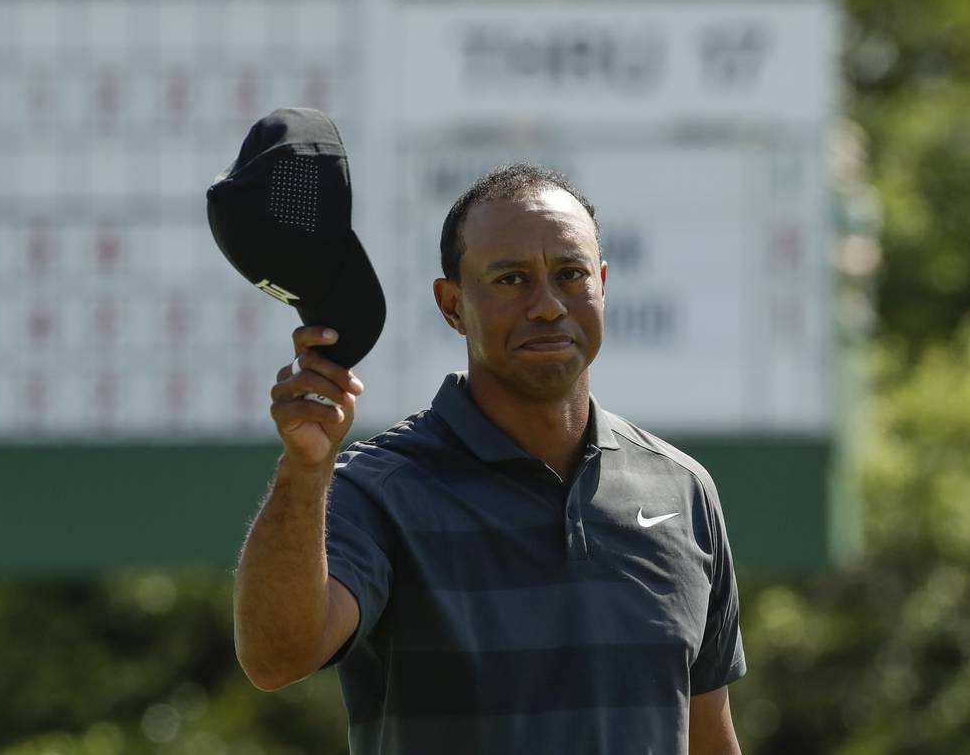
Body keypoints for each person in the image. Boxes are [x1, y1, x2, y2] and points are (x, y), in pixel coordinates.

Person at [233, 163, 746, 754]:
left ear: (602, 283)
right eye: (511, 279)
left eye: (571, 274)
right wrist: (304, 471)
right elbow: (275, 659)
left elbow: (710, 738)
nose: (548, 305)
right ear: (452, 304)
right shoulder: (378, 490)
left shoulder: (681, 490)